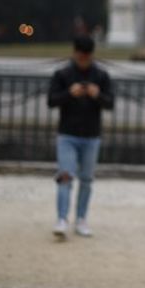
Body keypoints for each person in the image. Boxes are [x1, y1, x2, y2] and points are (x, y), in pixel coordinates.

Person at [47, 34, 114, 239]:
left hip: (91, 134)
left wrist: (97, 95)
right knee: (65, 176)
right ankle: (62, 218)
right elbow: (51, 101)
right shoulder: (62, 74)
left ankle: (81, 218)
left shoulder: (101, 76)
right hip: (67, 133)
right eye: (81, 56)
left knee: (86, 179)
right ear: (75, 53)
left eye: (87, 56)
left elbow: (110, 103)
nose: (83, 59)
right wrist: (70, 93)